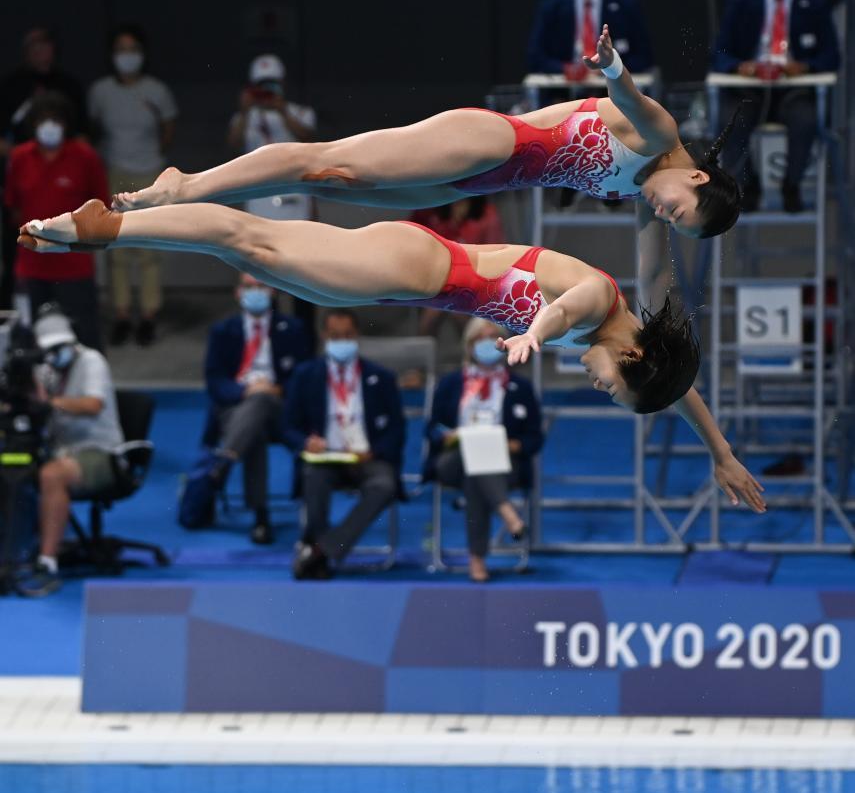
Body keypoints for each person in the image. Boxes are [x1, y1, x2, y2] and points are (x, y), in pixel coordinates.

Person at [19, 200, 765, 513]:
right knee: (248, 242)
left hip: (414, 280)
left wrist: (720, 453)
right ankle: (107, 227)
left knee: (260, 257)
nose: (600, 387)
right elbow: (565, 306)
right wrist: (536, 332)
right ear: (633, 354)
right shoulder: (598, 305)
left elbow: (680, 390)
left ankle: (117, 225)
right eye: (614, 387)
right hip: (419, 269)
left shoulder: (633, 342)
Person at [110, 25, 741, 245]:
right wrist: (612, 67)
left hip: (478, 181)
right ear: (696, 176)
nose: (661, 211)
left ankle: (205, 195)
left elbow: (658, 259)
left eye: (670, 221)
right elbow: (626, 96)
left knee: (333, 182)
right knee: (330, 162)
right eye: (676, 209)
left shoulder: (650, 184)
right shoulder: (660, 135)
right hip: (495, 144)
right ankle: (187, 182)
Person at [712, 0, 839, 212]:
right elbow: (719, 53)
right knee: (728, 121)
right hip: (750, 88)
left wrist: (805, 67)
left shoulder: (814, 6)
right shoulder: (742, 4)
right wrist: (739, 67)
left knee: (806, 119)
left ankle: (791, 184)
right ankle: (748, 183)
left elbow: (831, 57)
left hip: (794, 89)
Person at [282, 309, 405, 579]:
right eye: (335, 336)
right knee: (312, 477)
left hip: (368, 457)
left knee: (385, 485)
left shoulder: (380, 377)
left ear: (357, 335)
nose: (342, 341)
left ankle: (320, 551)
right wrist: (306, 442)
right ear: (324, 336)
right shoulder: (306, 375)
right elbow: (288, 427)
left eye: (347, 335)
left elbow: (397, 429)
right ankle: (322, 552)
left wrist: (374, 452)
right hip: (325, 458)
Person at [425, 318, 544, 582]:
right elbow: (431, 429)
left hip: (504, 462)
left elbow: (535, 437)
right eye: (480, 338)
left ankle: (476, 559)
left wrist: (514, 444)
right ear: (468, 345)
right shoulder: (450, 383)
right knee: (473, 458)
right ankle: (506, 511)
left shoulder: (520, 388)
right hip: (452, 459)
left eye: (493, 337)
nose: (487, 344)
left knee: (475, 476)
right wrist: (447, 437)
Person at [18, 308, 123, 598]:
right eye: (49, 349)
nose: (55, 353)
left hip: (101, 454)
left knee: (52, 475)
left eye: (60, 347)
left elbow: (92, 405)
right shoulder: (45, 369)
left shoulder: (92, 361)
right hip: (60, 450)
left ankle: (47, 562)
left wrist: (51, 402)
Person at [200, 273, 311, 544]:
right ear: (238, 293)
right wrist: (245, 391)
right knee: (255, 428)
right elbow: (214, 381)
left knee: (262, 403)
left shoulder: (294, 329)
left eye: (261, 285)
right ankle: (261, 517)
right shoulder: (223, 331)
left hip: (281, 409)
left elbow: (306, 376)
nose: (255, 291)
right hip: (236, 409)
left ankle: (226, 461)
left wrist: (278, 389)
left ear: (273, 290)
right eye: (249, 286)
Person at [88, 24, 178, 347]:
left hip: (150, 173)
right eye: (121, 49)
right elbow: (94, 126)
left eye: (132, 49)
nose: (127, 56)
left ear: (142, 53)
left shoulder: (156, 90)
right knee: (116, 247)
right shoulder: (100, 91)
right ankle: (123, 315)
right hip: (114, 172)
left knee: (149, 247)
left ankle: (149, 316)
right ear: (113, 55)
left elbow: (168, 129)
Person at [226, 53, 318, 348]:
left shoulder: (300, 112)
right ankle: (274, 346)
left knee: (304, 281)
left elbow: (309, 138)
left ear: (283, 85)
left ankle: (305, 344)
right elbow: (233, 143)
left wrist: (282, 112)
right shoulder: (246, 118)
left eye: (272, 84)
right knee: (266, 280)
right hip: (259, 205)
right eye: (261, 85)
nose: (267, 91)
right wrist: (243, 111)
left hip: (296, 205)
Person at [4, 92, 109, 349]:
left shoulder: (85, 157)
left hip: (74, 265)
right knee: (29, 340)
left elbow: (101, 207)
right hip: (31, 267)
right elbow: (12, 206)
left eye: (56, 120)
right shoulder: (19, 157)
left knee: (85, 336)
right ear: (33, 125)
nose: (49, 126)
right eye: (43, 120)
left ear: (66, 124)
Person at [0, 27, 88, 309]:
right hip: (24, 175)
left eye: (45, 45)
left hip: (65, 178)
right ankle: (19, 313)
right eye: (34, 46)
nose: (40, 51)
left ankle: (67, 306)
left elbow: (83, 134)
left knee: (64, 243)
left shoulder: (69, 85)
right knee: (20, 245)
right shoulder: (11, 86)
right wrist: (24, 158)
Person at [410, 196, 506, 337]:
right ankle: (422, 354)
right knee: (432, 313)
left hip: (472, 284)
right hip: (434, 282)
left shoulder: (486, 214)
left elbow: (497, 258)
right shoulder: (429, 211)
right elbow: (412, 244)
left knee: (458, 310)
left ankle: (468, 351)